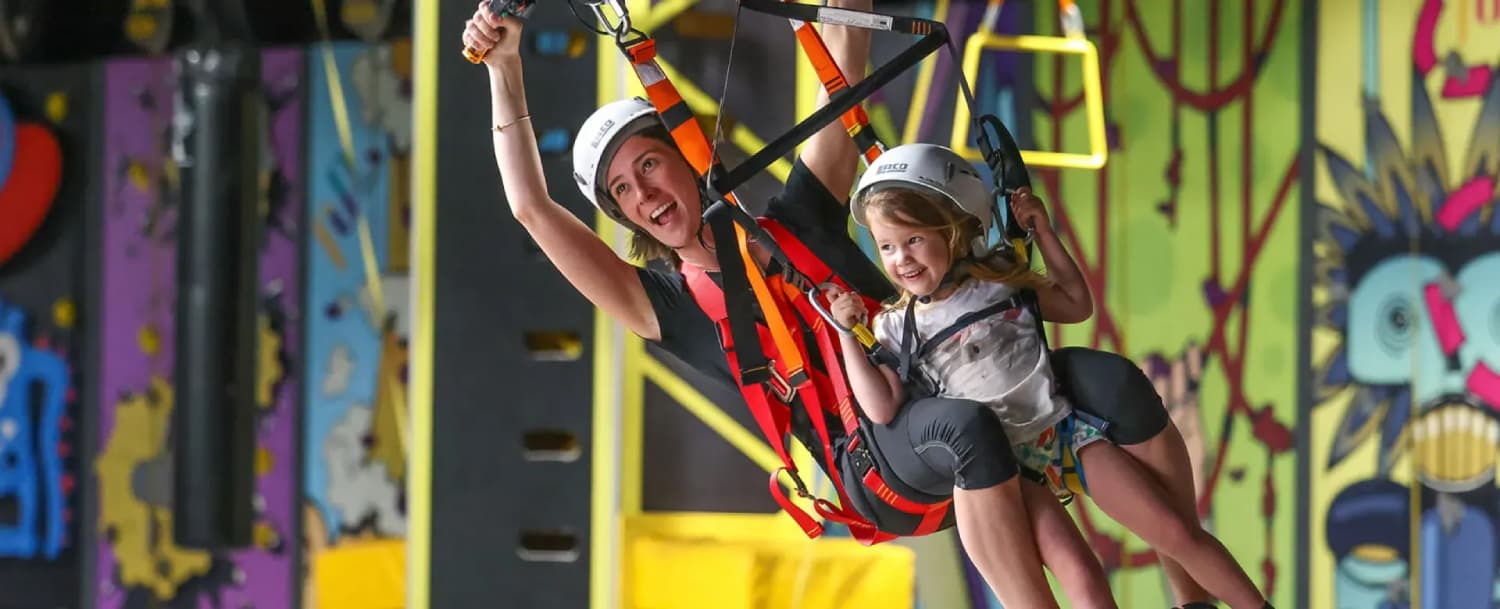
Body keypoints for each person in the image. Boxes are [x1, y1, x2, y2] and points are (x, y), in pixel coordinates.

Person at [824, 143, 1274, 609]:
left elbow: (1077, 304)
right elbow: (880, 406)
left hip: (1063, 435)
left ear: (954, 231)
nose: (901, 259)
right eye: (887, 247)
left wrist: (1044, 232)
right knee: (1084, 579)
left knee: (1176, 531)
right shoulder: (899, 327)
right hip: (1012, 471)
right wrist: (846, 335)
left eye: (914, 239)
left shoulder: (997, 282)